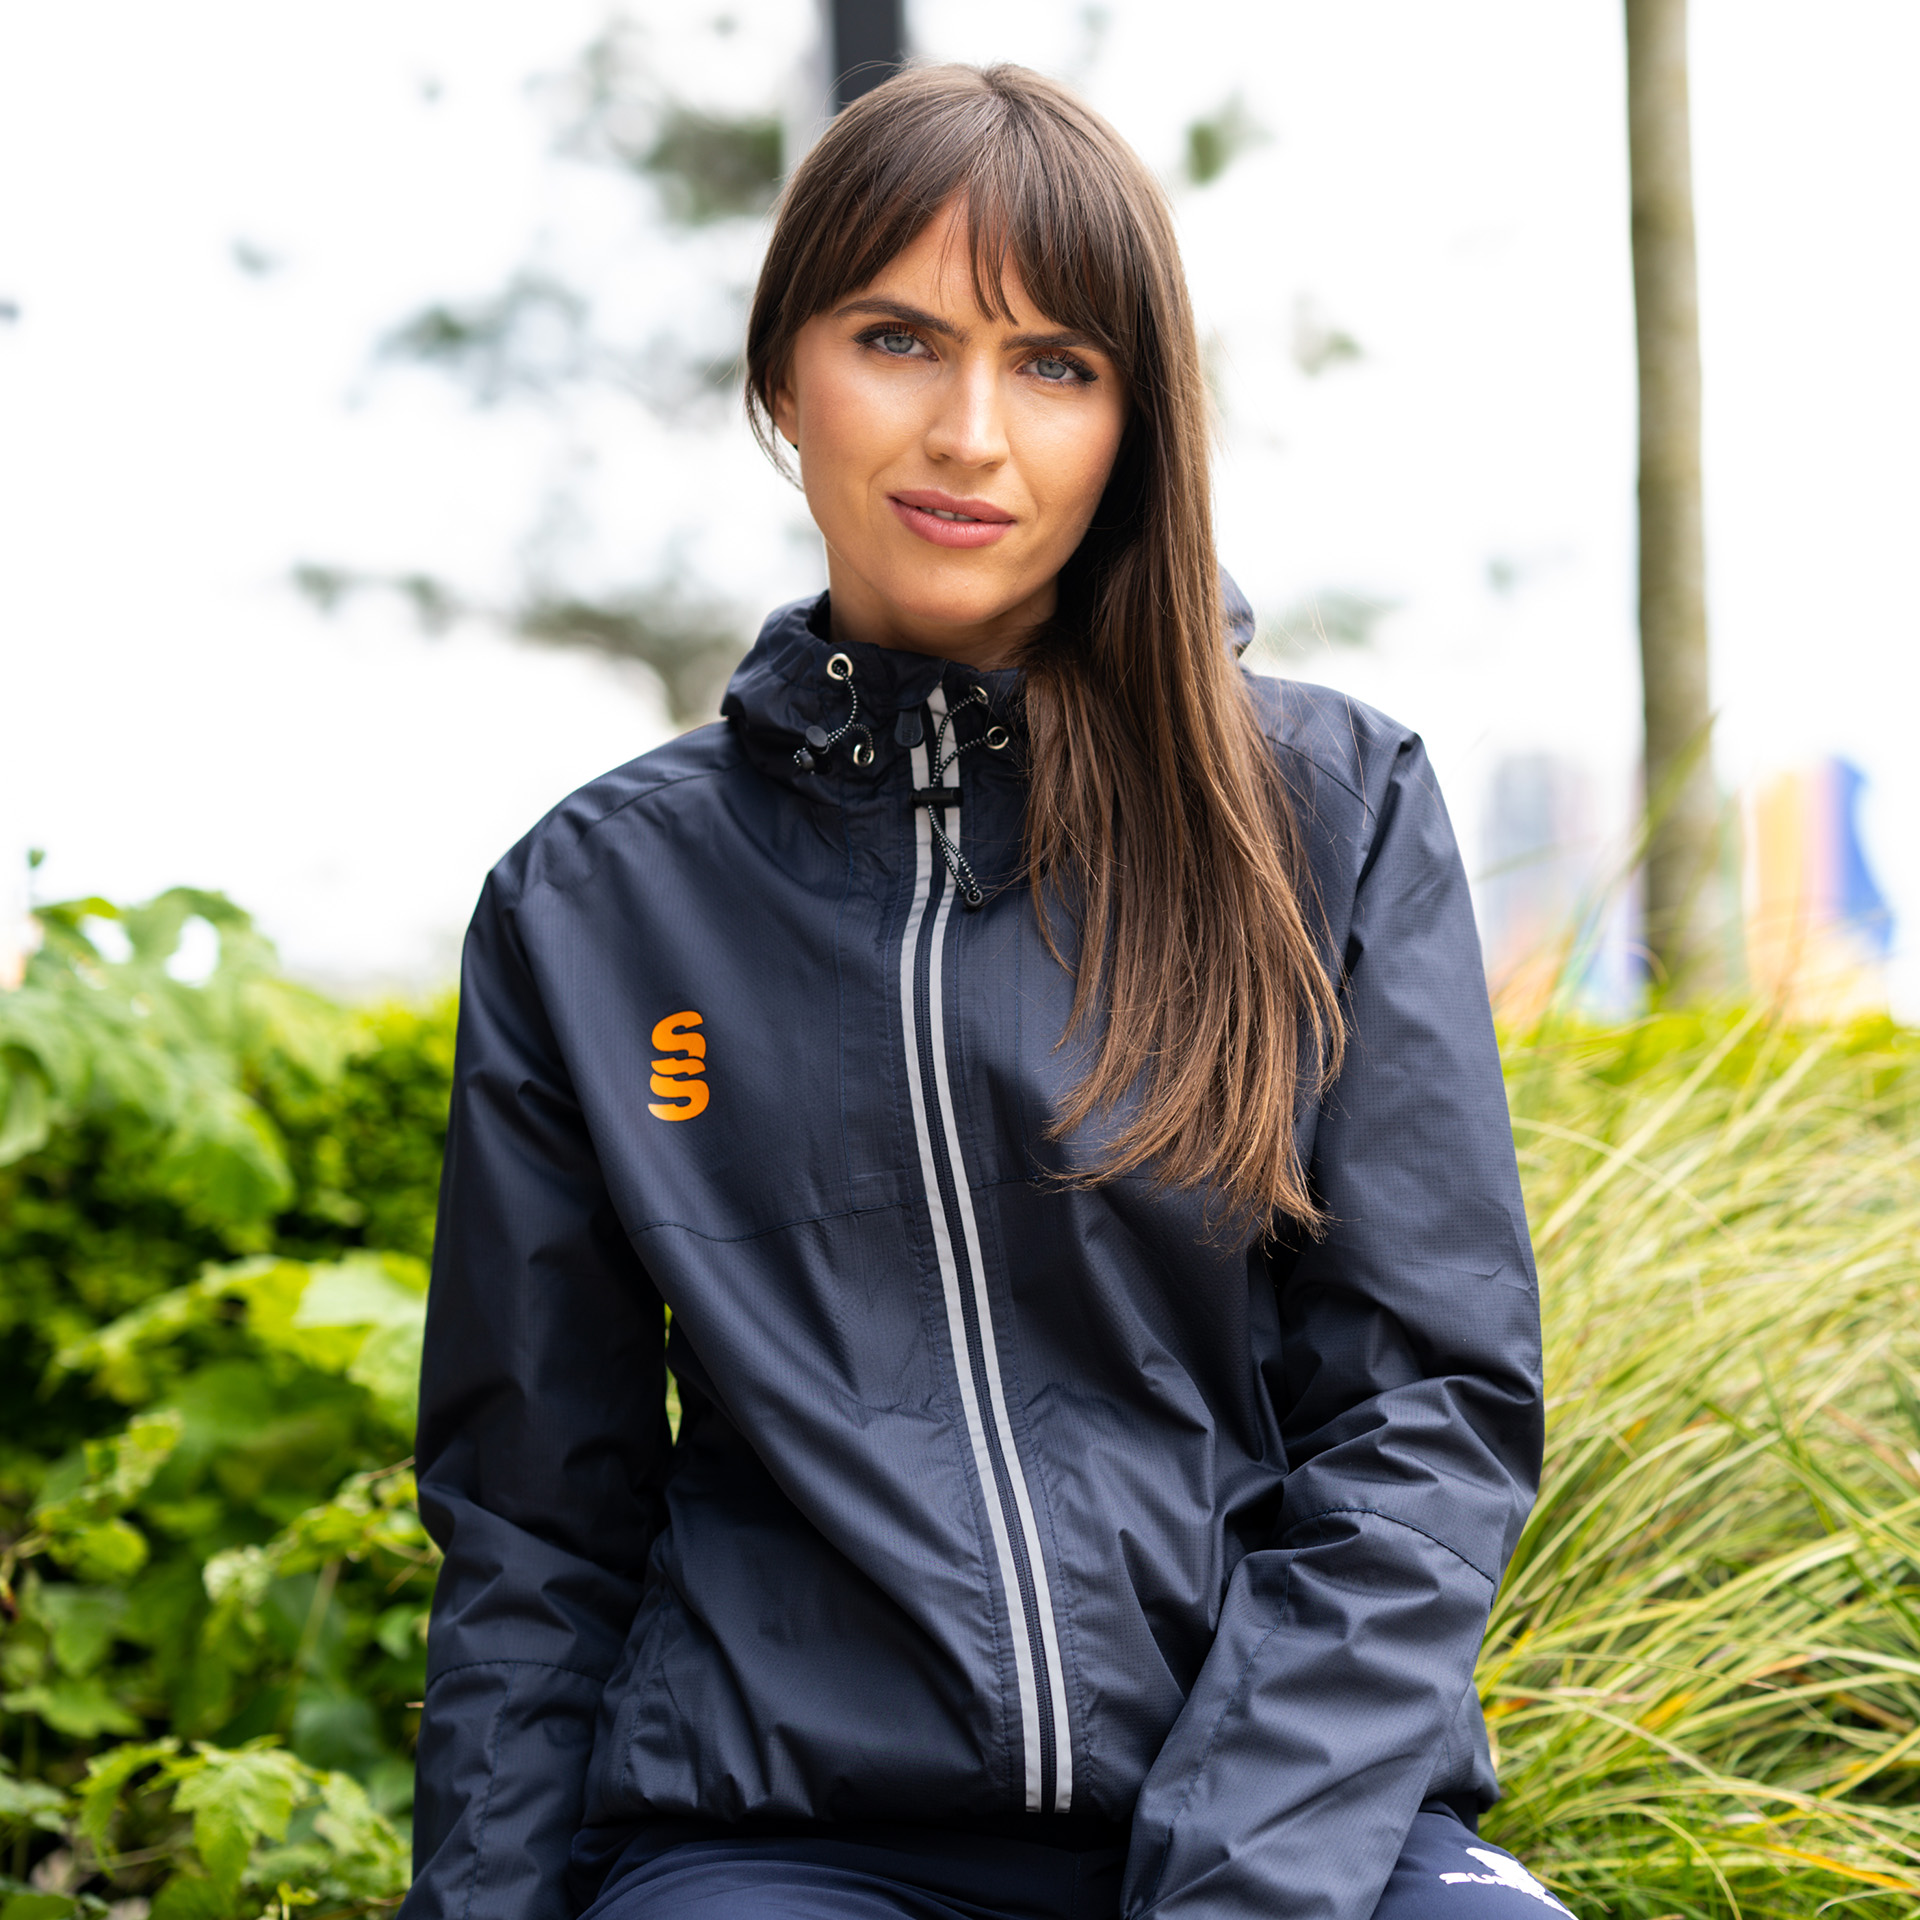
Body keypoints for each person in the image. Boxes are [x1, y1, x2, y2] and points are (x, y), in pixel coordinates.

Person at [403, 62, 1552, 1920]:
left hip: (1293, 1823)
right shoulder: (596, 907)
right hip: (783, 1847)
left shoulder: (1326, 814)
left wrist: (1239, 1886)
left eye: (1055, 365)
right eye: (898, 340)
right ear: (783, 375)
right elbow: (536, 1522)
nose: (968, 434)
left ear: (1135, 424)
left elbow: (1422, 1420)